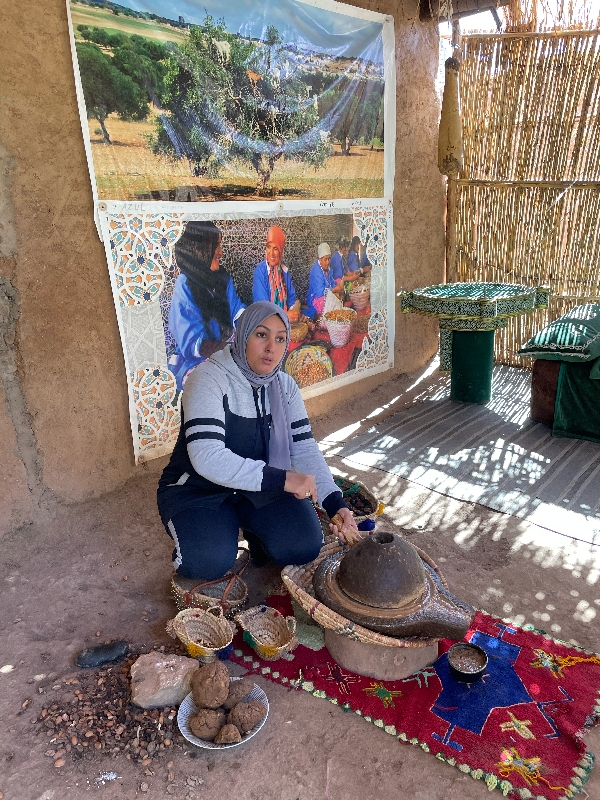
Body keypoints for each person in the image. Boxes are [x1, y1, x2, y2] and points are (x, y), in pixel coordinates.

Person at [157, 301, 359, 581]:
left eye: (280, 339)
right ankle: (205, 535)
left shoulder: (285, 387)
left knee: (304, 544)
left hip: (257, 488)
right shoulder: (207, 379)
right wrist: (283, 480)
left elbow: (304, 449)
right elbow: (207, 456)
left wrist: (336, 504)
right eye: (261, 335)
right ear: (242, 335)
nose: (271, 348)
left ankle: (256, 532)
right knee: (207, 562)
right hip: (199, 490)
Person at [168, 221, 245, 390]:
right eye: (216, 245)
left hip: (227, 346)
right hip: (198, 359)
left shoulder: (223, 278)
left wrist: (253, 326)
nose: (220, 252)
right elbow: (193, 344)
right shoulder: (184, 286)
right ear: (199, 249)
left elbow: (237, 310)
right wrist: (232, 352)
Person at [252, 225, 298, 318]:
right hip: (264, 322)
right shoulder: (260, 272)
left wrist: (294, 311)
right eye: (269, 247)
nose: (271, 253)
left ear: (281, 250)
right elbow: (263, 307)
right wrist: (285, 316)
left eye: (276, 248)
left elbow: (292, 299)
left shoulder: (284, 271)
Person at [305, 242, 348, 320]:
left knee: (339, 281)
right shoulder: (316, 271)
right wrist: (335, 290)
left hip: (327, 292)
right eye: (325, 259)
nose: (328, 262)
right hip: (315, 298)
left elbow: (332, 282)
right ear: (320, 259)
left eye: (329, 259)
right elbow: (319, 293)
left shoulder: (327, 268)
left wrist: (337, 285)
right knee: (328, 303)